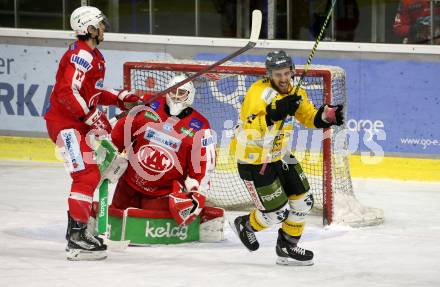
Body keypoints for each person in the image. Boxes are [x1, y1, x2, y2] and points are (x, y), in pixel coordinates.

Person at [44, 6, 140, 261]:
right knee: (85, 175)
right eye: (100, 24)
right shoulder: (83, 56)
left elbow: (91, 92)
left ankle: (79, 232)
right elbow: (67, 92)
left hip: (78, 125)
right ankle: (77, 238)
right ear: (89, 28)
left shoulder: (94, 55)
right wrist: (90, 115)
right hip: (67, 125)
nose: (104, 28)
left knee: (96, 172)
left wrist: (120, 99)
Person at [232, 50, 344, 266]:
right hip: (255, 161)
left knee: (304, 202)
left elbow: (308, 116)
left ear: (292, 71)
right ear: (269, 75)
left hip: (281, 156)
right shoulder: (258, 94)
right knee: (277, 214)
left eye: (286, 73)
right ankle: (245, 224)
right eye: (277, 75)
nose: (283, 79)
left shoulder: (295, 90)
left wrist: (324, 116)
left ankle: (287, 247)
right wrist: (274, 113)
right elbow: (248, 129)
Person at [110, 74, 217, 229]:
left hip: (162, 193)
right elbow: (120, 132)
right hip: (129, 184)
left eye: (181, 93)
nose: (176, 96)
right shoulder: (148, 105)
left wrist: (197, 192)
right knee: (115, 223)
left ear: (190, 95)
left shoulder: (200, 126)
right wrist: (110, 153)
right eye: (173, 91)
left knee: (149, 226)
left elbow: (203, 166)